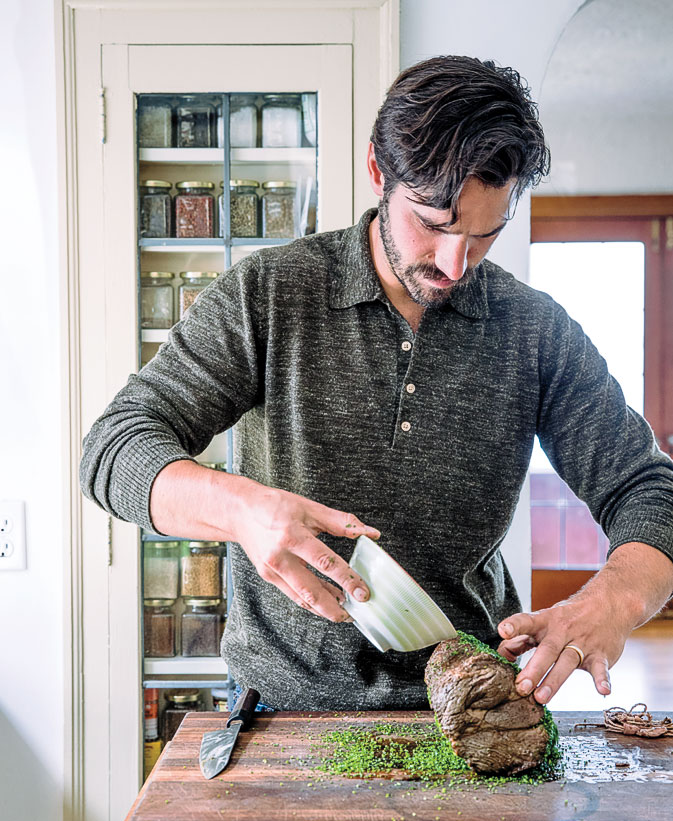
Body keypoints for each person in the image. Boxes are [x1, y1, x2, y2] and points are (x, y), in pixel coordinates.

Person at [80, 55, 673, 712]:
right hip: (281, 710)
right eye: (434, 223)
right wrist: (241, 509)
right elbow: (113, 447)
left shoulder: (536, 331)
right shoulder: (267, 294)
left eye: (485, 234)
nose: (456, 263)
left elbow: (648, 489)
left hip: (471, 710)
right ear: (377, 172)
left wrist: (610, 601)